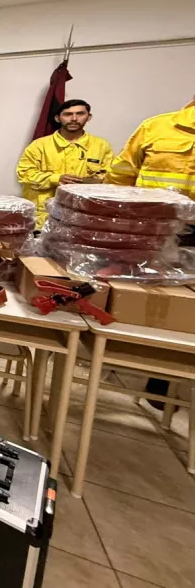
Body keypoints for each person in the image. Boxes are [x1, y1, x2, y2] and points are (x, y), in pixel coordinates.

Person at [106, 95, 195, 408]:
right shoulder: (156, 127)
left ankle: (165, 383)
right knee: (143, 297)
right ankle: (118, 360)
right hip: (153, 228)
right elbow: (120, 176)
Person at [16, 99, 113, 227]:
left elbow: (109, 177)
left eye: (80, 114)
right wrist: (56, 179)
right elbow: (24, 174)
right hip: (44, 217)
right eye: (68, 114)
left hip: (84, 216)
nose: (74, 119)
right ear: (57, 118)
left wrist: (89, 182)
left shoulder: (101, 146)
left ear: (89, 117)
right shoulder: (39, 145)